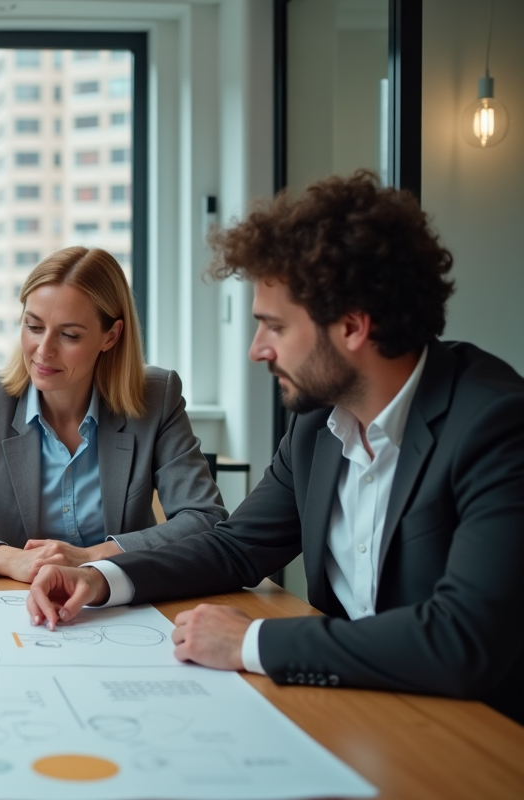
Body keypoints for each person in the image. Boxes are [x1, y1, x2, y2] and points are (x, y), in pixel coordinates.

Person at [26, 172, 524, 724]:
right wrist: (101, 579)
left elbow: (463, 640)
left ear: (353, 327)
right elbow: (236, 548)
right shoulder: (318, 426)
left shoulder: (495, 424)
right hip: (348, 710)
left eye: (274, 327)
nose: (256, 349)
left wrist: (253, 642)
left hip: (469, 730)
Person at [0, 247, 227, 581]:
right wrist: (15, 561)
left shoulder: (157, 397)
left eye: (69, 335)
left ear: (111, 336)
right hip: (25, 602)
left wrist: (93, 558)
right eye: (33, 326)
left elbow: (205, 519)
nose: (44, 351)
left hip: (123, 599)